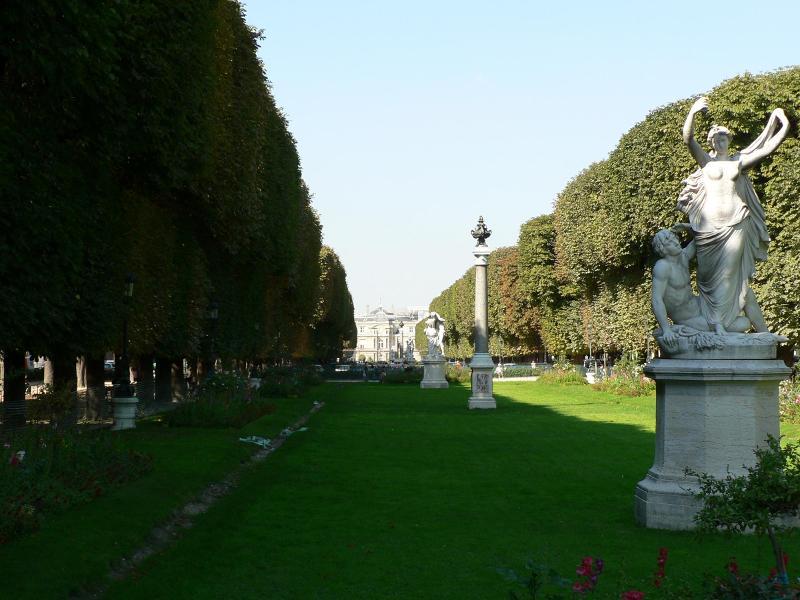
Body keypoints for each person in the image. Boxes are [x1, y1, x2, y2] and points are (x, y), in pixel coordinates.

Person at [679, 96, 789, 334]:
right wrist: (693, 112)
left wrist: (784, 125)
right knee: (706, 279)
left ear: (728, 141)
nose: (719, 141)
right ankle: (714, 321)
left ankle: (720, 324)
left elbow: (767, 148)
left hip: (735, 222)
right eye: (715, 138)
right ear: (711, 142)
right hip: (707, 229)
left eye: (723, 137)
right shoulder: (706, 163)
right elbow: (688, 138)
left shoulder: (737, 164)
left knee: (730, 276)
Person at [651, 227, 749, 347]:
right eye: (670, 242)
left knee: (744, 292)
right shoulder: (662, 267)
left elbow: (700, 237)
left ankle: (766, 333)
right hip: (689, 319)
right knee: (744, 323)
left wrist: (688, 227)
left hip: (703, 306)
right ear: (663, 249)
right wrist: (666, 329)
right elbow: (656, 300)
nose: (676, 243)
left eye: (675, 239)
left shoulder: (683, 257)